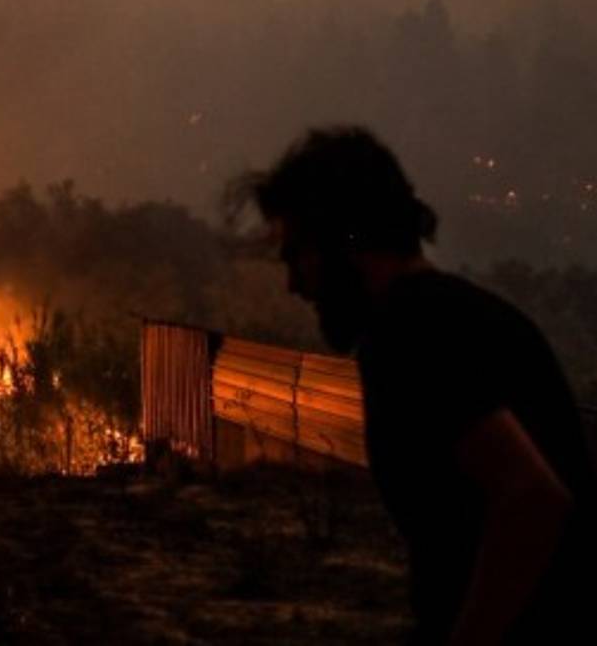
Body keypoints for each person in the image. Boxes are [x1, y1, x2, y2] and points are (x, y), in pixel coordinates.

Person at [244, 126, 595, 643]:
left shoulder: (410, 333)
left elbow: (532, 498)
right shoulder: (465, 315)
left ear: (347, 240)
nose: (294, 284)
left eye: (299, 255)